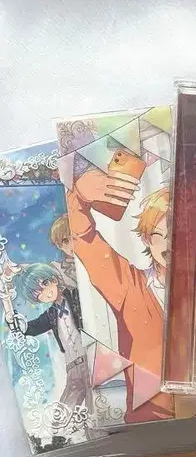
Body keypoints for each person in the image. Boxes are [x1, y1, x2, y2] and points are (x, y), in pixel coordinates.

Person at [66, 173, 174, 421]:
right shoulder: (129, 286)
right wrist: (78, 197)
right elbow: (85, 239)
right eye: (161, 234)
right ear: (147, 238)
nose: (171, 243)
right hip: (150, 424)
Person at [9, 263, 91, 413]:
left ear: (54, 279)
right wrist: (18, 324)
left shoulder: (75, 296)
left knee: (94, 409)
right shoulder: (51, 314)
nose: (45, 293)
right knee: (63, 413)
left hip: (90, 361)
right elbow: (34, 326)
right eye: (38, 294)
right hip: (72, 368)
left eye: (44, 284)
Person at [48, 214, 77, 290]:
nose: (72, 245)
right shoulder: (58, 269)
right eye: (66, 241)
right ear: (59, 245)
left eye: (75, 238)